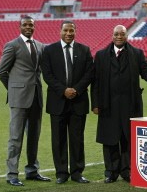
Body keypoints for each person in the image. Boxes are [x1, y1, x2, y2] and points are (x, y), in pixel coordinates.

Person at [91, 25, 147, 184]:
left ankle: (127, 171)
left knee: (128, 139)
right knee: (110, 139)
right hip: (108, 105)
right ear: (112, 36)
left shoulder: (137, 53)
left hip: (130, 105)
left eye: (122, 34)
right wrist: (95, 104)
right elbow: (95, 83)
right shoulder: (100, 55)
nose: (119, 36)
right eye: (116, 34)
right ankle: (111, 172)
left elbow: (146, 71)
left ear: (126, 36)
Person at [0, 15, 51, 186]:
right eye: (25, 25)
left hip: (36, 97)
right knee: (15, 138)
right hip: (19, 99)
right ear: (19, 27)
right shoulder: (12, 46)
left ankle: (32, 171)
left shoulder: (40, 46)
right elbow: (0, 71)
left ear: (34, 27)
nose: (28, 27)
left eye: (31, 25)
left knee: (33, 137)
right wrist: (14, 89)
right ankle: (12, 174)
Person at [41, 20, 94, 184]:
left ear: (75, 32)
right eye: (66, 30)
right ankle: (61, 173)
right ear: (60, 31)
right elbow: (47, 75)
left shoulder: (84, 50)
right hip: (57, 101)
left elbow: (89, 73)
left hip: (78, 101)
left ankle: (77, 173)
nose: (69, 33)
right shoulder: (49, 50)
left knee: (77, 139)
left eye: (72, 30)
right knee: (58, 140)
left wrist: (76, 90)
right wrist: (64, 90)